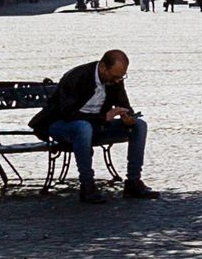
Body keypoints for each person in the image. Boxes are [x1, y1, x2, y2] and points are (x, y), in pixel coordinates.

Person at [30, 49, 152, 201]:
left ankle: (133, 182)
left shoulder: (115, 80)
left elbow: (123, 103)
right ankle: (87, 185)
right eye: (114, 77)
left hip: (97, 125)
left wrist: (128, 116)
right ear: (102, 68)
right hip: (62, 125)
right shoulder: (77, 77)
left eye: (121, 77)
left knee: (140, 126)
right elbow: (67, 113)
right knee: (83, 127)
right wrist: (103, 117)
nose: (117, 81)